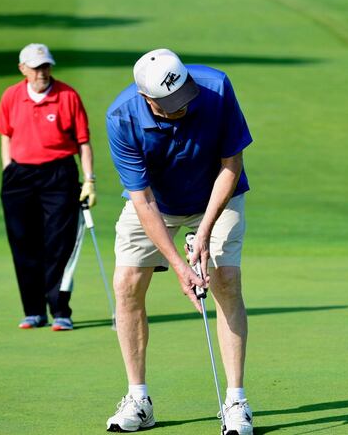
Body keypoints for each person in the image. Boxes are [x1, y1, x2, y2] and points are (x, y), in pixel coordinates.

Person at [104, 49, 254, 434]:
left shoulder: (215, 87)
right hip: (159, 203)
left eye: (183, 97)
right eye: (169, 105)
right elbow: (143, 200)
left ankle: (236, 401)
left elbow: (231, 165)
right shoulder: (121, 117)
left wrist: (203, 233)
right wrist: (179, 264)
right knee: (126, 285)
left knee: (226, 281)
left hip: (217, 195)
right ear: (146, 98)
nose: (181, 108)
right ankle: (139, 399)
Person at [0, 43, 96, 332]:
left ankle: (60, 310)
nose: (42, 72)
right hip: (19, 176)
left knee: (59, 243)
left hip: (59, 174)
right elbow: (6, 134)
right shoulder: (11, 96)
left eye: (46, 66)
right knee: (23, 243)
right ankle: (34, 312)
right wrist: (8, 167)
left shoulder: (67, 96)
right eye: (37, 67)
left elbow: (83, 142)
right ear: (23, 69)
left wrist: (89, 179)